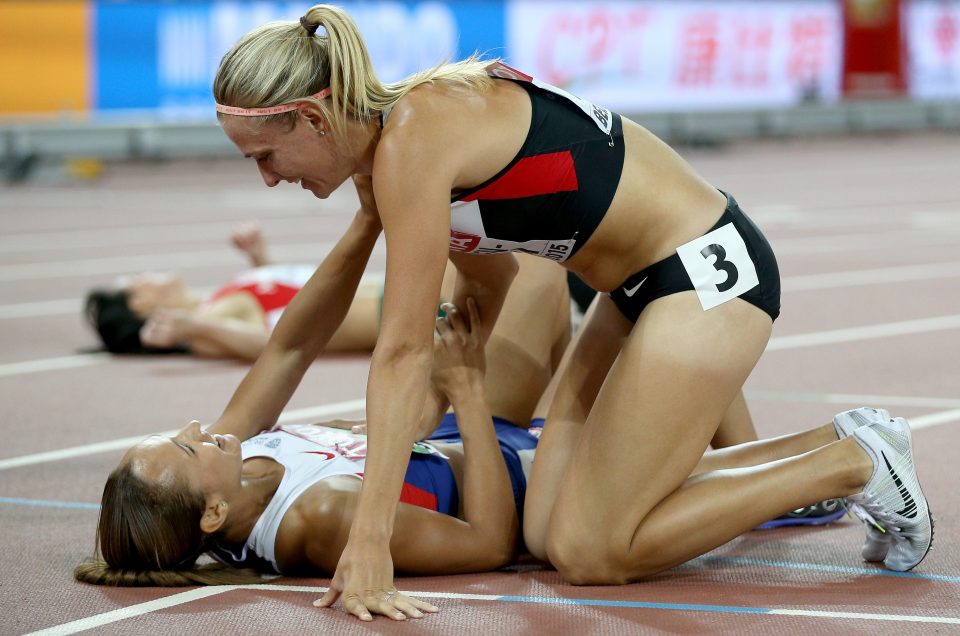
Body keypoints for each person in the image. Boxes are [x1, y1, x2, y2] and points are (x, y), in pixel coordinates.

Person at [211, 5, 933, 620]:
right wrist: (457, 366)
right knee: (549, 523)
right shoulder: (395, 151)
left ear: (311, 116)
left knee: (593, 553)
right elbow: (485, 281)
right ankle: (834, 442)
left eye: (265, 156)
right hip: (630, 292)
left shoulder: (413, 141)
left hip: (703, 272)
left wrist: (369, 540)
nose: (271, 179)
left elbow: (398, 350)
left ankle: (851, 463)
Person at [75, 253, 571, 602]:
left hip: (466, 432)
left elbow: (290, 346)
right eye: (186, 449)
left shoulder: (234, 461)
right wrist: (465, 390)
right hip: (530, 473)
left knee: (517, 257)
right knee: (621, 310)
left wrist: (369, 217)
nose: (193, 426)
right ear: (213, 513)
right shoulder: (318, 518)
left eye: (177, 433)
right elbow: (491, 542)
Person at [84, 219, 389, 361]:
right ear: (140, 301)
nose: (147, 273)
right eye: (138, 278)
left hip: (392, 296)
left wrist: (260, 259)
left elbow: (292, 304)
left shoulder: (214, 304)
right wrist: (192, 325)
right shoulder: (208, 323)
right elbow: (274, 345)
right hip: (390, 311)